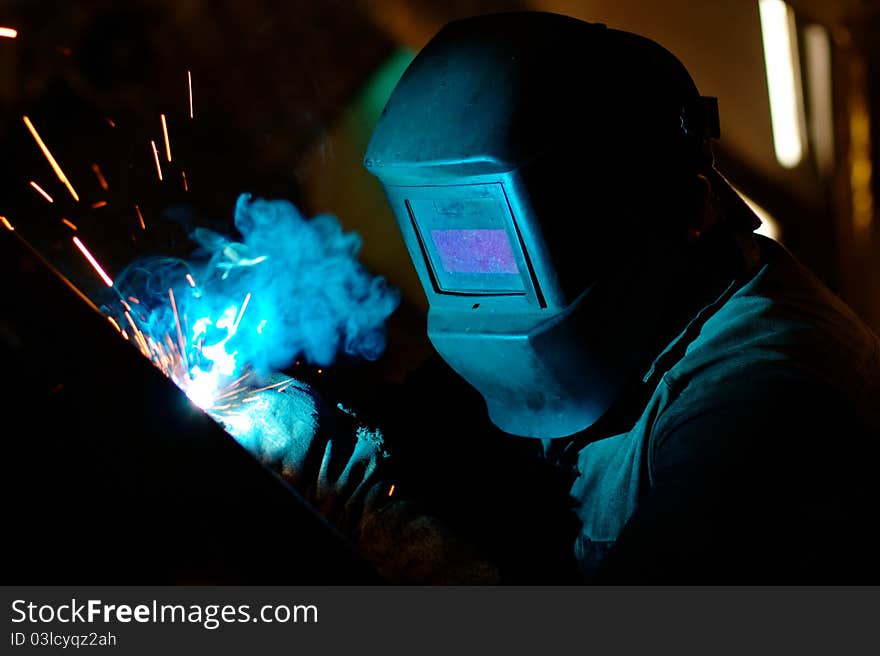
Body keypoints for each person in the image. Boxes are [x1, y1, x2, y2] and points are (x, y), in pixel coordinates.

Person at [256, 11, 880, 584]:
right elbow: (435, 423)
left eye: (499, 240)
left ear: (684, 207)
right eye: (456, 245)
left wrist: (361, 507)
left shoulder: (768, 401)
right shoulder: (636, 336)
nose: (483, 280)